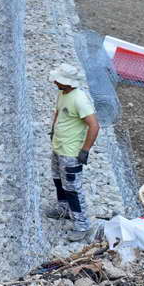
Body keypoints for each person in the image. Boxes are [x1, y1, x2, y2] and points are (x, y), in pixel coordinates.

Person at [44, 63, 100, 242]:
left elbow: (94, 125)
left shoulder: (79, 99)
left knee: (73, 189)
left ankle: (82, 225)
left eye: (58, 80)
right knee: (58, 180)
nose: (55, 82)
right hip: (59, 147)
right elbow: (58, 113)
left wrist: (85, 150)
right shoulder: (62, 93)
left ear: (68, 83)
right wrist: (53, 130)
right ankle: (64, 210)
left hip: (71, 153)